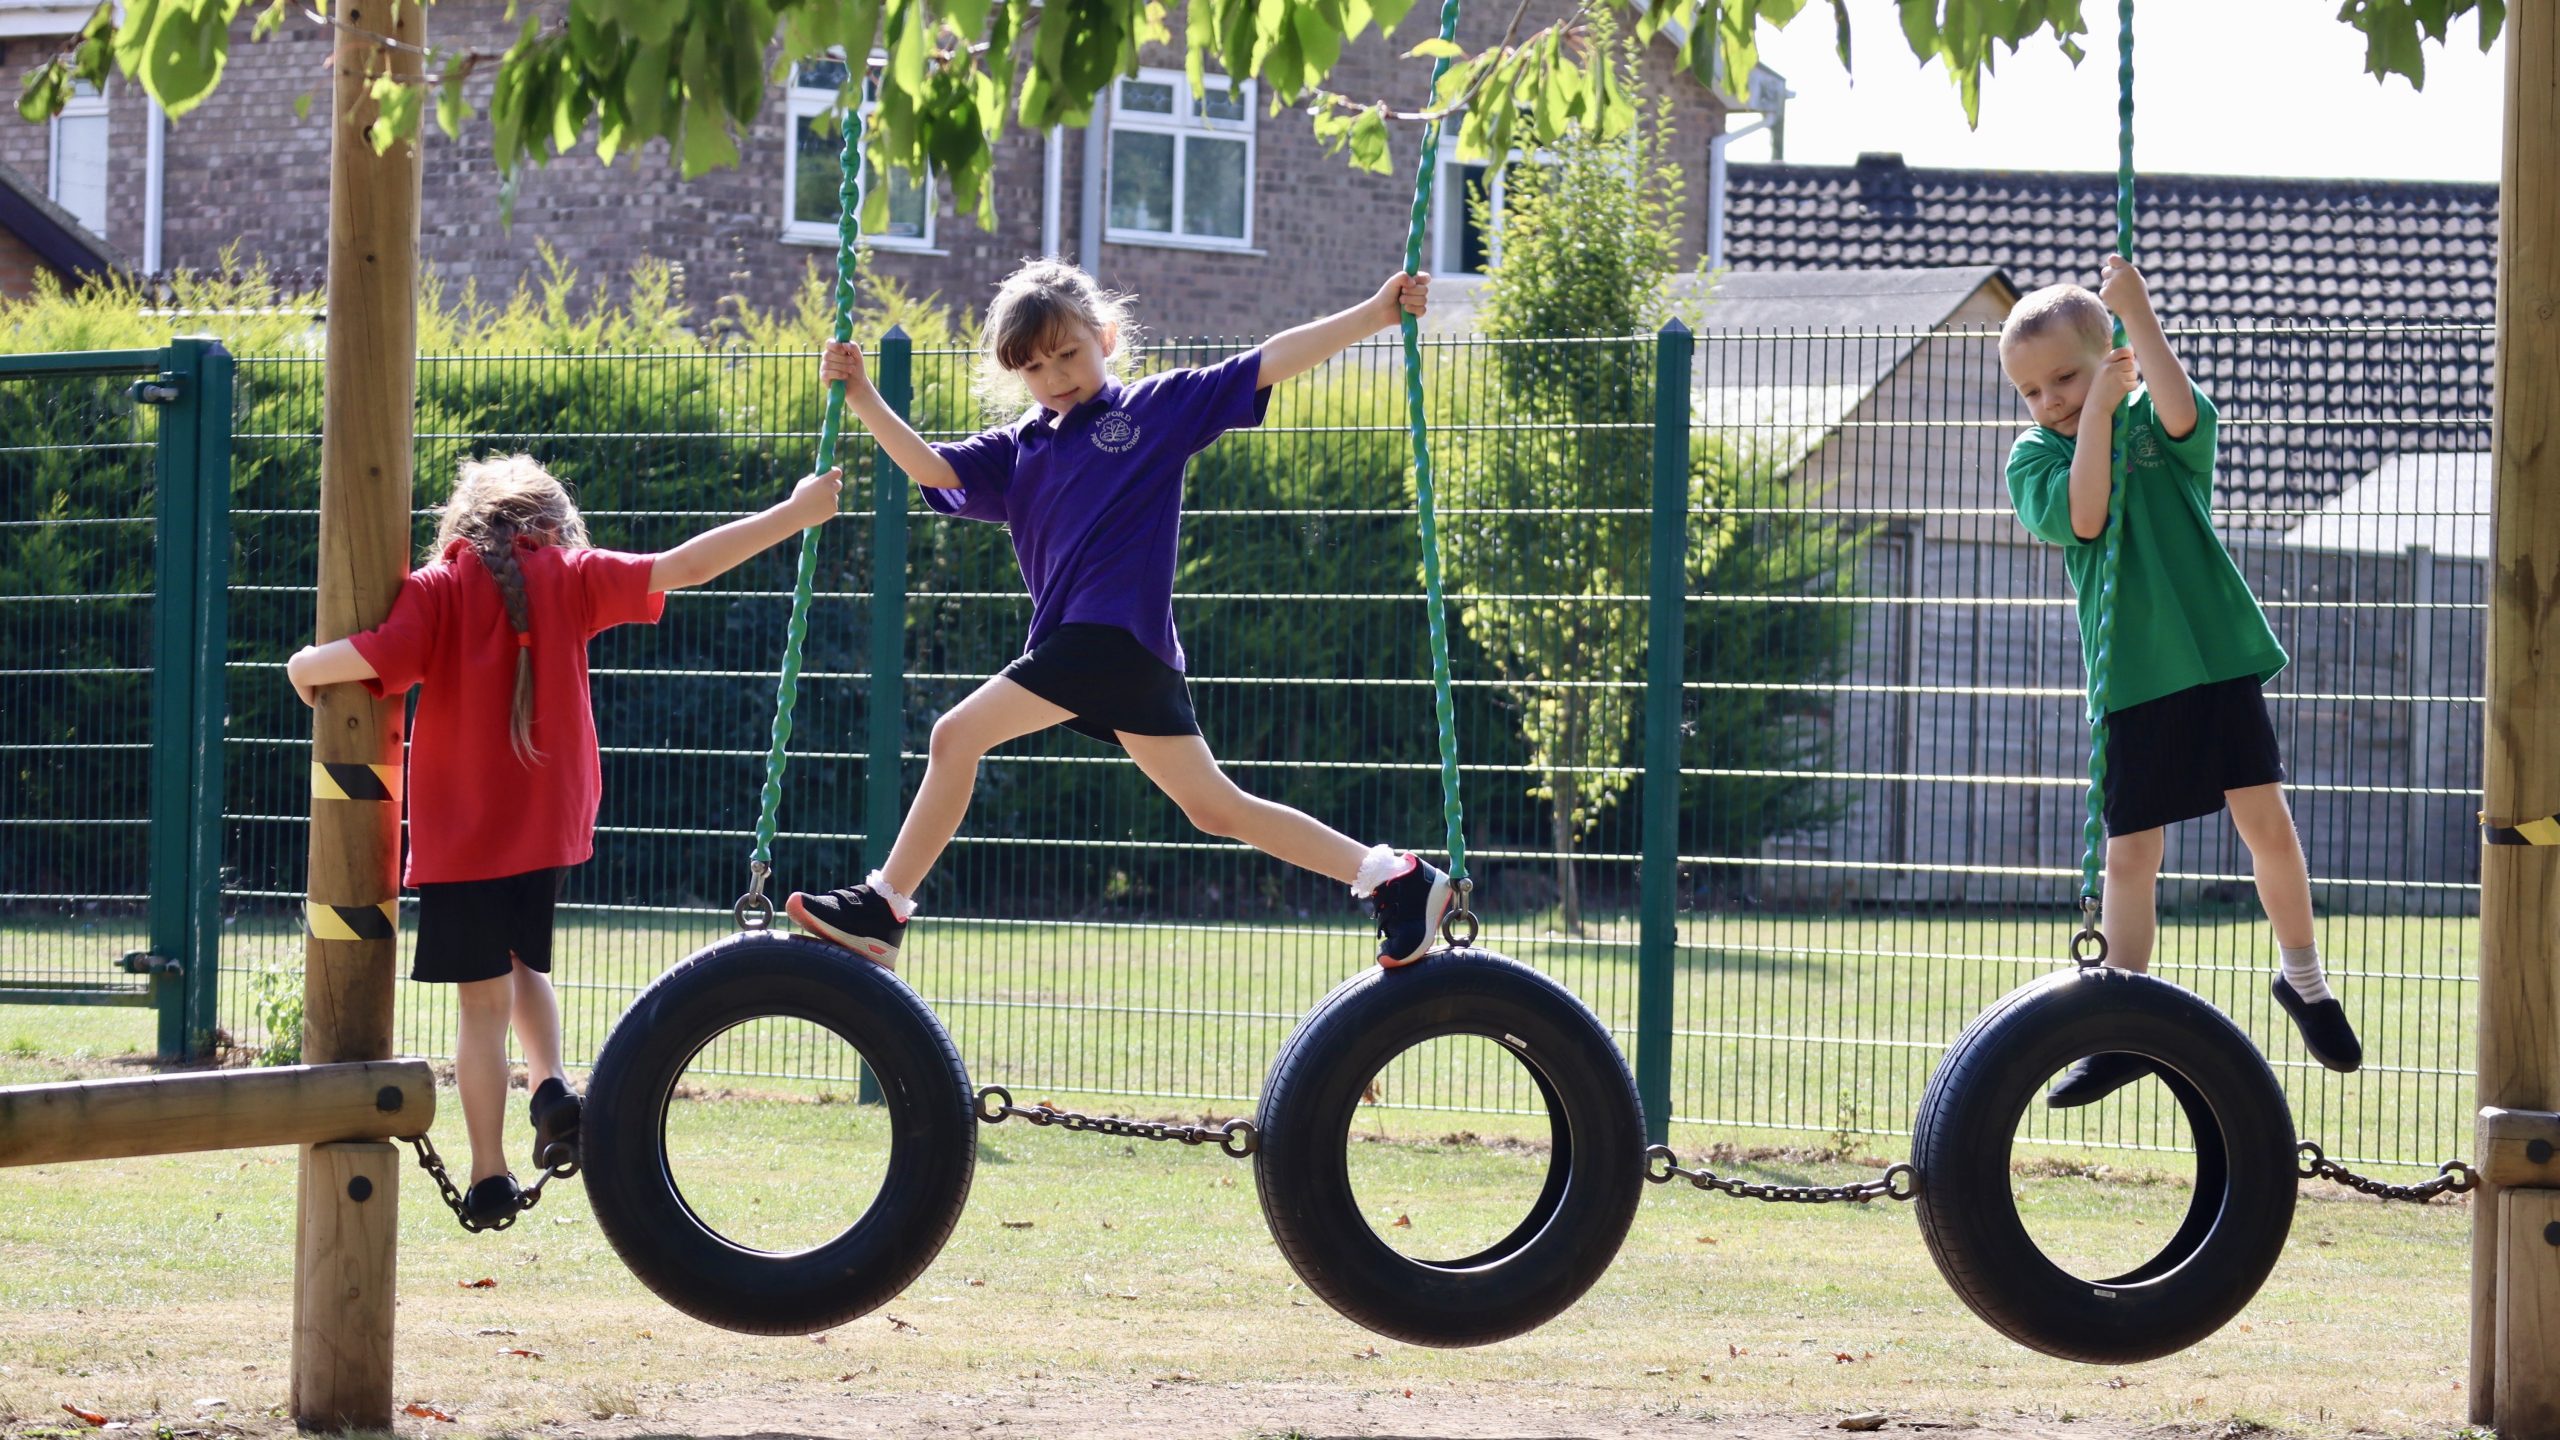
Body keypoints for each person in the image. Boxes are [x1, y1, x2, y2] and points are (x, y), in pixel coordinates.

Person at [788, 258, 1454, 970]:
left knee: (956, 736)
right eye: (1036, 367)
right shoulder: (1019, 450)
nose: (1056, 375)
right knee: (1215, 809)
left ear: (1105, 335)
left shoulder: (1151, 411)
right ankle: (1395, 877)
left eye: (1070, 353)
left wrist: (1377, 313)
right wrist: (860, 393)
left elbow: (1268, 361)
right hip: (1129, 659)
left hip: (1105, 640)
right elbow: (930, 467)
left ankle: (884, 905)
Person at [287, 453, 841, 1224]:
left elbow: (381, 656)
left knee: (480, 1008)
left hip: (463, 834)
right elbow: (684, 564)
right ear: (552, 525)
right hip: (548, 824)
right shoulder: (572, 577)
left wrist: (303, 663)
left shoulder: (437, 589)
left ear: (462, 524)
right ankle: (549, 1082)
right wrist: (793, 512)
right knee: (525, 961)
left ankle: (487, 1174)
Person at [2001, 256, 2363, 1107]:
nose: (2049, 399)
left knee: (2266, 820)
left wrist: (2142, 319)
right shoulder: (2033, 460)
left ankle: (2303, 978)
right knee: (2134, 854)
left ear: (2110, 357)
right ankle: (2124, 1018)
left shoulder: (2154, 430)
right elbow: (2085, 514)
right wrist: (2092, 412)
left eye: (2066, 377)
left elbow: (2177, 404)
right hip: (2131, 673)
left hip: (2210, 655)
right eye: (2031, 390)